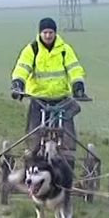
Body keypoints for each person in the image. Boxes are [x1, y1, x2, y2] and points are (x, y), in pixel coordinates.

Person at [10, 17, 89, 170]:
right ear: (40, 33)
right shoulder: (32, 49)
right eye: (45, 32)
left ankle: (67, 174)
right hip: (39, 100)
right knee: (34, 137)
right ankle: (30, 171)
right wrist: (18, 83)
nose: (47, 35)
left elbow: (74, 68)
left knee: (68, 138)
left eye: (50, 32)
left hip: (62, 100)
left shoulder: (65, 50)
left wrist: (77, 85)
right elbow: (22, 67)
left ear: (55, 33)